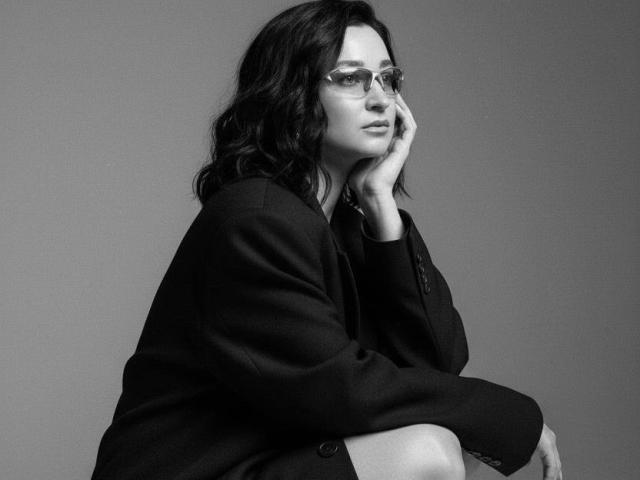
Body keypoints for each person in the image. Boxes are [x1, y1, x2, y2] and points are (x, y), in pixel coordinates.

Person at [91, 1, 562, 479]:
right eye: (351, 78)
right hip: (198, 472)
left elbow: (436, 365)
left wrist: (381, 208)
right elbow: (339, 390)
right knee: (429, 450)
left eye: (388, 79)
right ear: (291, 95)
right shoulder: (256, 221)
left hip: (271, 460)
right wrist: (504, 415)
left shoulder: (341, 226)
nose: (381, 100)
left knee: (454, 438)